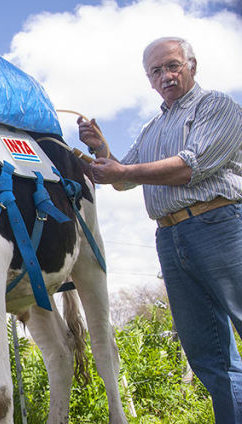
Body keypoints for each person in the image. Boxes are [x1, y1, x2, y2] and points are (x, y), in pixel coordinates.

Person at [78, 36, 242, 423]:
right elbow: (123, 179)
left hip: (219, 225)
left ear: (192, 66)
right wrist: (103, 150)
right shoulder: (153, 127)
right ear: (149, 80)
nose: (166, 76)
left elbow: (190, 165)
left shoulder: (215, 105)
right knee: (209, 353)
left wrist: (122, 170)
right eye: (157, 71)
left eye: (173, 66)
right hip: (170, 238)